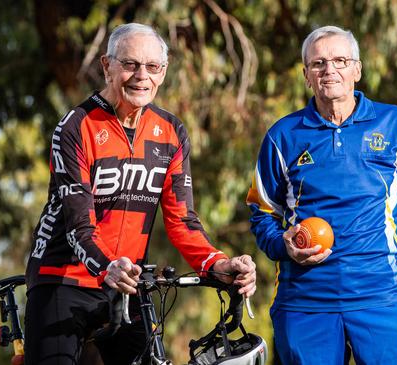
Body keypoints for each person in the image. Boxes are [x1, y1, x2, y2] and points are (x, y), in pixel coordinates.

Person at [24, 23, 257, 365]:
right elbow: (78, 227)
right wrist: (107, 268)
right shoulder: (76, 126)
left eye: (153, 67)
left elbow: (183, 221)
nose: (141, 76)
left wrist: (216, 263)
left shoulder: (171, 132)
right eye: (130, 64)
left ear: (163, 72)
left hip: (127, 283)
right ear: (107, 66)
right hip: (62, 277)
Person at [246, 25, 397, 364]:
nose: (329, 69)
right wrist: (283, 245)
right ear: (306, 75)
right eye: (318, 63)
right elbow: (262, 213)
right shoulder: (282, 136)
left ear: (357, 70)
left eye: (339, 60)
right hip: (305, 303)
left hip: (386, 298)